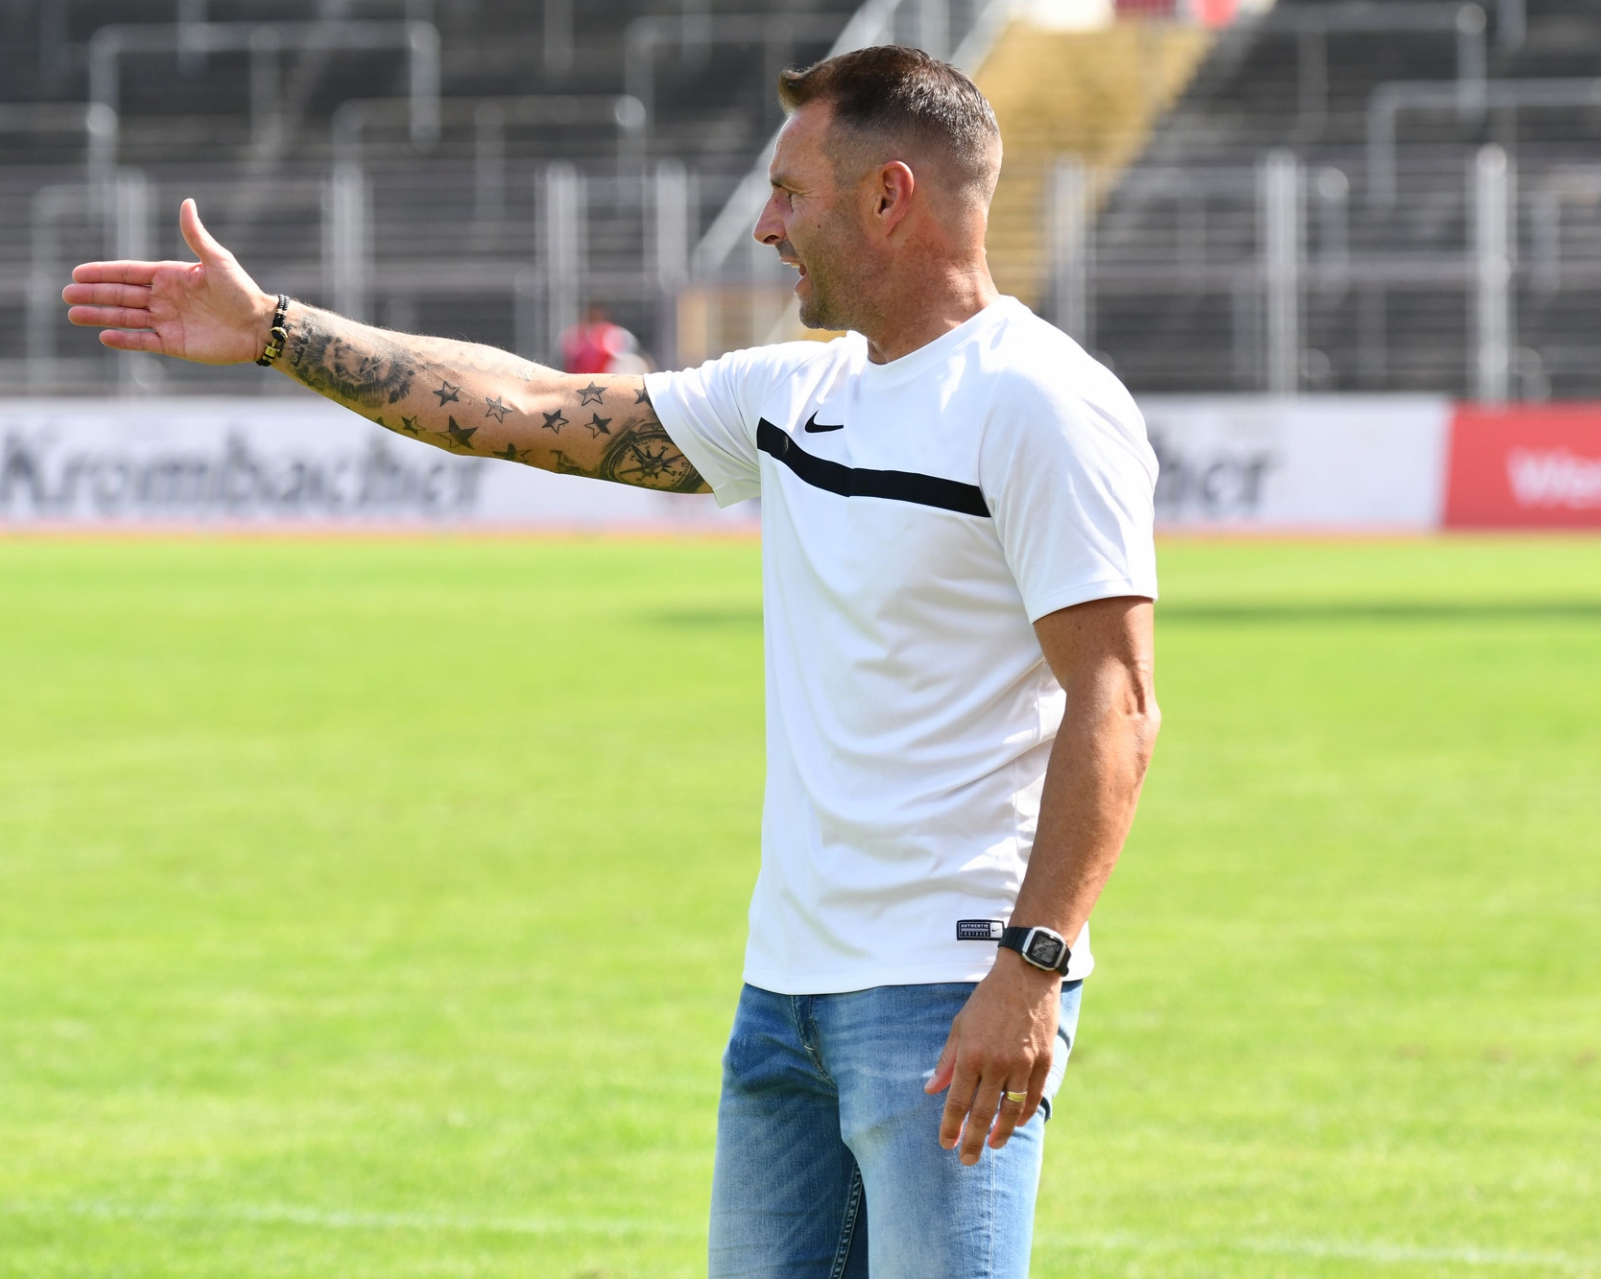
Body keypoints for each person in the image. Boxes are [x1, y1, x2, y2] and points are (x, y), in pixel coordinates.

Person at [64, 43, 1159, 1279]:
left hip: (945, 991)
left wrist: (1031, 967)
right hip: (784, 998)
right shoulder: (793, 393)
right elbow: (528, 408)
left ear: (888, 196)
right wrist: (277, 330)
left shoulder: (1040, 403)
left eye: (790, 193)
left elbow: (1117, 702)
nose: (766, 226)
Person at [560, 304, 653, 375]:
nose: (596, 321)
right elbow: (568, 362)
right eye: (592, 318)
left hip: (609, 382)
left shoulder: (616, 333)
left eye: (599, 318)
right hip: (581, 382)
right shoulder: (575, 334)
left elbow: (635, 358)